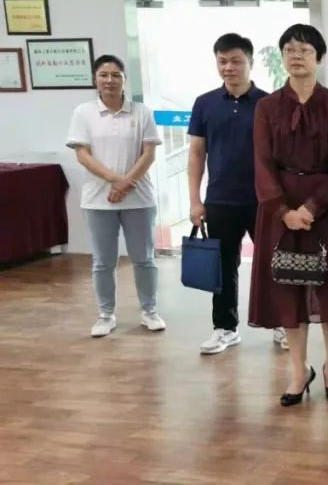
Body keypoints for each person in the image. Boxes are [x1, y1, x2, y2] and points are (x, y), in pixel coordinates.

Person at [247, 24, 328, 406]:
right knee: (287, 287)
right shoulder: (267, 107)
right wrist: (282, 210)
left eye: (305, 50)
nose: (296, 56)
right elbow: (261, 163)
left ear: (319, 57)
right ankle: (298, 370)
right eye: (289, 49)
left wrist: (311, 207)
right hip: (280, 211)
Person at [66, 55, 165, 337]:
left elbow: (149, 153)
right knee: (103, 261)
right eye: (104, 75)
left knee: (144, 258)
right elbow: (83, 154)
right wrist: (115, 180)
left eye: (115, 75)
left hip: (139, 199)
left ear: (124, 79)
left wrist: (125, 184)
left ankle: (150, 311)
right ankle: (105, 315)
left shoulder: (141, 112)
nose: (109, 80)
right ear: (95, 79)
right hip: (98, 200)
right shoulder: (83, 112)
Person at [187, 33, 269, 355]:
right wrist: (195, 200)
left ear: (250, 62)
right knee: (223, 266)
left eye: (236, 61)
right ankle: (225, 328)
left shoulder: (268, 103)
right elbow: (196, 153)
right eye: (222, 61)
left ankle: (280, 323)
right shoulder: (204, 103)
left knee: (271, 264)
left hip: (264, 200)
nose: (229, 67)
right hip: (220, 200)